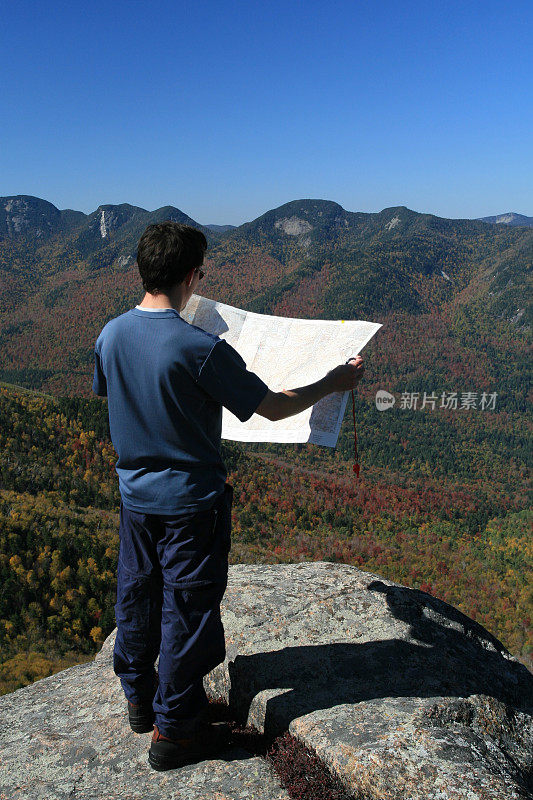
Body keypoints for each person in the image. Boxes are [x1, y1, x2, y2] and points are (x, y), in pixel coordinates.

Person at [92, 221, 364, 770]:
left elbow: (111, 391)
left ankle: (139, 700)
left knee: (138, 596)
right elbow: (273, 407)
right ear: (193, 275)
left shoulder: (110, 335)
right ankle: (177, 732)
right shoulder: (200, 348)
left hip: (134, 498)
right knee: (187, 611)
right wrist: (333, 382)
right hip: (191, 505)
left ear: (144, 272)